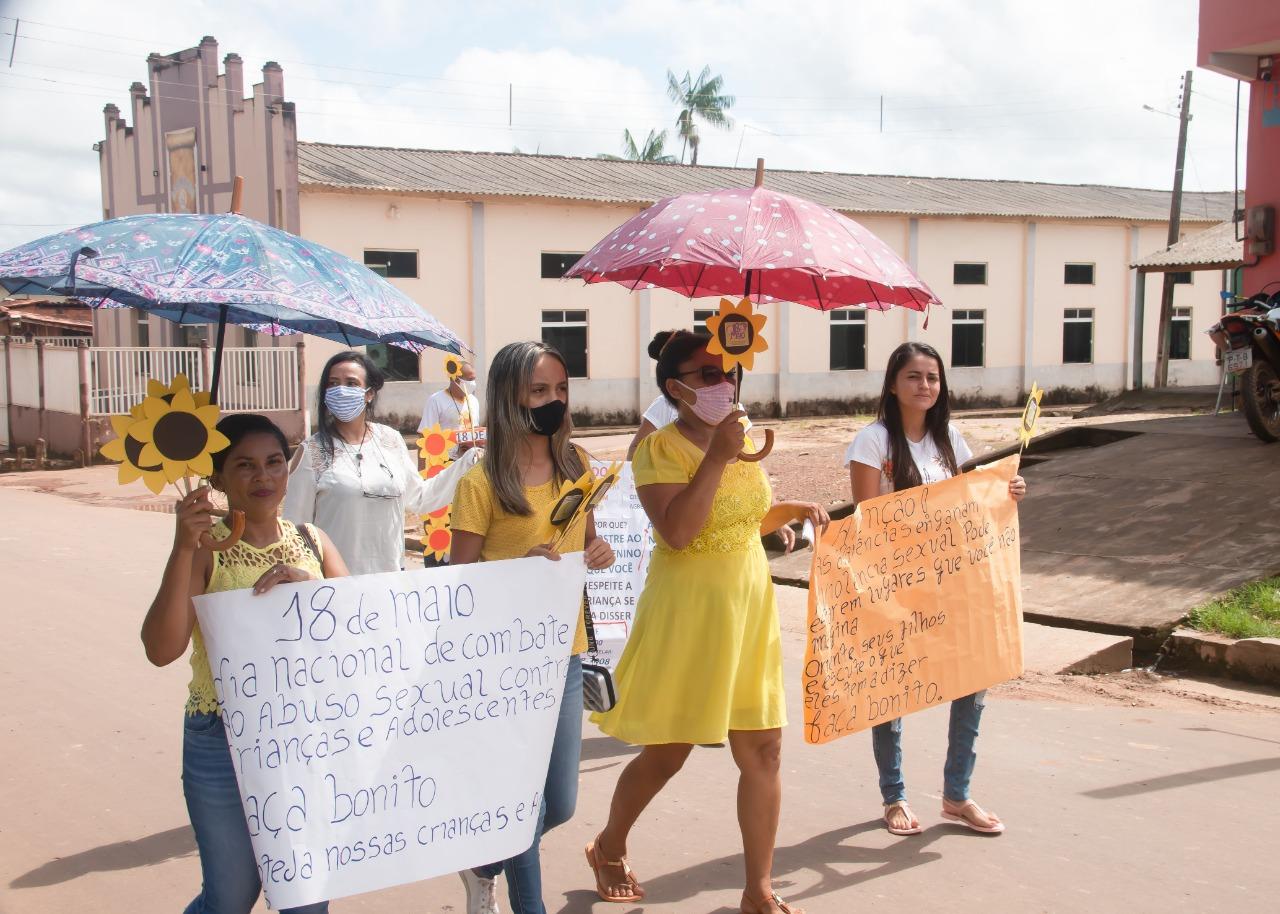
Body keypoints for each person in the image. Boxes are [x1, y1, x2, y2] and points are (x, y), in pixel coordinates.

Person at [587, 330, 828, 914]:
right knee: (668, 752)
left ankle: (758, 889)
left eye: (731, 372)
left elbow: (738, 517)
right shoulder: (657, 450)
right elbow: (680, 530)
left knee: (765, 750)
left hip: (748, 605)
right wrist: (718, 456)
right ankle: (609, 845)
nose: (727, 384)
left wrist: (788, 513)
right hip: (689, 611)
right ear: (676, 387)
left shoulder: (740, 439)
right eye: (709, 375)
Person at [141, 414, 349, 914]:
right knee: (231, 897)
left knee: (305, 899)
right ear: (217, 478)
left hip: (303, 742)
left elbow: (360, 636)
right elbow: (161, 648)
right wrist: (182, 547)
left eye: (274, 462)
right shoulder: (203, 549)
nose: (264, 477)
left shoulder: (313, 541)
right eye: (245, 465)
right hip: (220, 742)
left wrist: (310, 588)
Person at [449, 340, 616, 914]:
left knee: (561, 803)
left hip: (565, 655)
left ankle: (482, 860)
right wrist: (515, 573)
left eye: (561, 390)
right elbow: (458, 582)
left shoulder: (579, 468)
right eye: (539, 391)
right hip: (505, 663)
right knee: (521, 798)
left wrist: (599, 551)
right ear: (508, 399)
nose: (553, 401)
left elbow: (588, 539)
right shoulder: (481, 484)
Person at [845, 341, 1026, 837]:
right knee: (891, 694)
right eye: (914, 377)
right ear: (891, 384)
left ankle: (957, 794)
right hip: (894, 588)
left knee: (972, 682)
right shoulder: (872, 442)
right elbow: (866, 521)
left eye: (932, 377)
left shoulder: (951, 441)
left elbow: (968, 502)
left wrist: (1006, 492)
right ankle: (894, 795)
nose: (925, 386)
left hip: (953, 585)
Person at [284, 351, 480, 576]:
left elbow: (420, 497)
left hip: (390, 584)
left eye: (351, 383)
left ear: (369, 393)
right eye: (333, 383)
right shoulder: (311, 452)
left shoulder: (391, 440)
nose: (341, 390)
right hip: (334, 588)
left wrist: (468, 462)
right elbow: (295, 531)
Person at [420, 357, 483, 450]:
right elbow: (424, 436)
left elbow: (475, 430)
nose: (473, 383)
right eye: (470, 380)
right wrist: (422, 465)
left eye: (474, 379)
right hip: (446, 460)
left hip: (470, 460)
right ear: (455, 380)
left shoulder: (473, 401)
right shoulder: (436, 401)